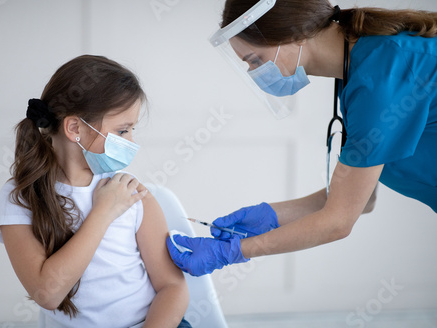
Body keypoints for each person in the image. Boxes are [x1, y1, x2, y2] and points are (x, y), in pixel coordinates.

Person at [167, 0, 437, 276]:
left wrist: (236, 251)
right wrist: (270, 216)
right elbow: (361, 199)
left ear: (295, 35)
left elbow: (339, 221)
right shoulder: (359, 71)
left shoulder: (381, 77)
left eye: (255, 60)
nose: (254, 73)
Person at [0, 55, 191, 327]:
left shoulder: (128, 190)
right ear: (75, 128)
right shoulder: (20, 197)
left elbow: (172, 287)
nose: (131, 142)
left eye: (132, 130)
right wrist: (103, 213)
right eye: (122, 131)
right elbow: (47, 294)